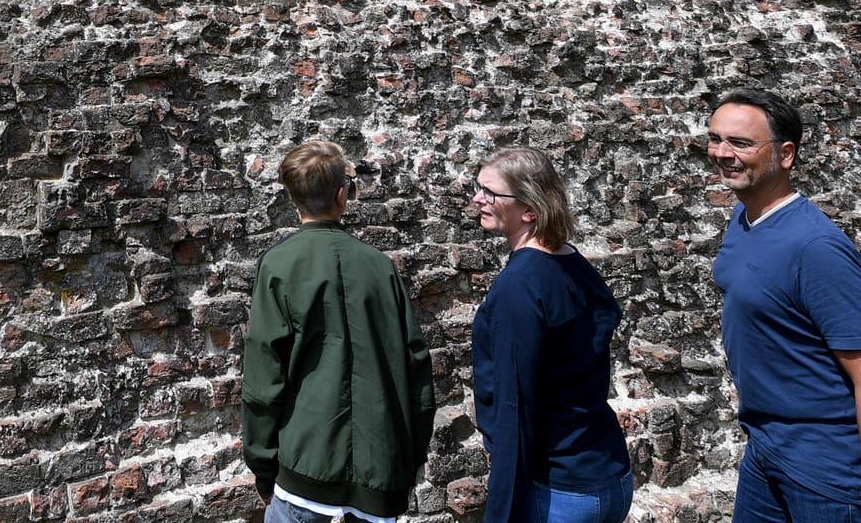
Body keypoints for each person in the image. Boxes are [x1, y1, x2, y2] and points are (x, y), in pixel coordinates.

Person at [709, 88, 861, 523]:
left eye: (741, 143)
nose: (722, 153)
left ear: (785, 154)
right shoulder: (744, 218)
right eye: (715, 138)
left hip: (828, 471)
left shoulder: (817, 247)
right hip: (766, 447)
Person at [242, 139, 437, 522]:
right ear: (342, 195)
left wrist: (263, 469)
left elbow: (263, 382)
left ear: (293, 198)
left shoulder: (278, 266)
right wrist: (408, 460)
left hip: (303, 475)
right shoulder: (381, 267)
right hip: (380, 473)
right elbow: (418, 372)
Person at [470, 147, 634, 523]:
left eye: (491, 193)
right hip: (609, 477)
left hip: (561, 492)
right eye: (478, 187)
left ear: (529, 210)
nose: (478, 199)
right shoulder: (572, 262)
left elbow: (514, 406)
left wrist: (500, 512)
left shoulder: (520, 286)